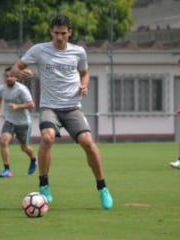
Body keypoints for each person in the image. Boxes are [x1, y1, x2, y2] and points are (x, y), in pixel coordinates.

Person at [10, 14, 113, 209]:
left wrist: (84, 85)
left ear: (70, 33)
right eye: (56, 33)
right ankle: (44, 186)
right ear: (51, 31)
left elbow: (84, 73)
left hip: (72, 107)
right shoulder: (39, 50)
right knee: (47, 138)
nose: (59, 37)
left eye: (63, 33)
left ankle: (102, 188)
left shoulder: (79, 52)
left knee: (88, 143)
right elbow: (16, 68)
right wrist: (18, 73)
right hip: (50, 107)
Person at [0, 67, 37, 177]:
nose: (8, 78)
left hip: (23, 123)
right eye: (6, 76)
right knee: (4, 142)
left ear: (16, 77)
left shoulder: (22, 89)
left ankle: (33, 158)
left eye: (11, 76)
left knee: (24, 147)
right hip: (9, 120)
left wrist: (18, 106)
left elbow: (32, 104)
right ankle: (7, 170)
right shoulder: (2, 88)